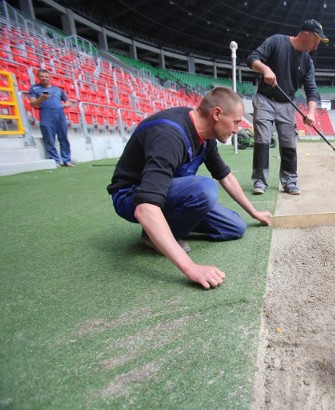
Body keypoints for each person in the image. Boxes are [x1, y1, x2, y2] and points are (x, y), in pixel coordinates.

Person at [107, 87, 272, 289]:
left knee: (235, 227)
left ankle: (164, 228)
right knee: (204, 189)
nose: (237, 130)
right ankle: (153, 235)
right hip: (132, 196)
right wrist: (191, 269)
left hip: (168, 195)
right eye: (236, 122)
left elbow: (225, 177)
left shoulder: (207, 136)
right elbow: (145, 207)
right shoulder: (169, 135)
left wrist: (254, 212)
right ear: (217, 114)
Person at [248, 19, 329, 196]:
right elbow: (252, 58)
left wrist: (311, 113)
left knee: (289, 143)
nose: (316, 46)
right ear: (306, 35)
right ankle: (260, 181)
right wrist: (265, 69)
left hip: (287, 105)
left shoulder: (307, 61)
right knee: (262, 139)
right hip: (264, 100)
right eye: (316, 41)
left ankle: (289, 181)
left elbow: (311, 90)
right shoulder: (277, 41)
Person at [28, 69, 74, 167]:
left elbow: (68, 101)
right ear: (38, 77)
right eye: (42, 76)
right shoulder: (34, 88)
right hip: (46, 114)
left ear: (50, 78)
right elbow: (32, 103)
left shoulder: (57, 89)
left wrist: (65, 105)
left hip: (60, 115)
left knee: (64, 138)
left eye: (46, 77)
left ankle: (67, 160)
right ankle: (55, 161)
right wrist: (42, 98)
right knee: (49, 139)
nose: (44, 78)